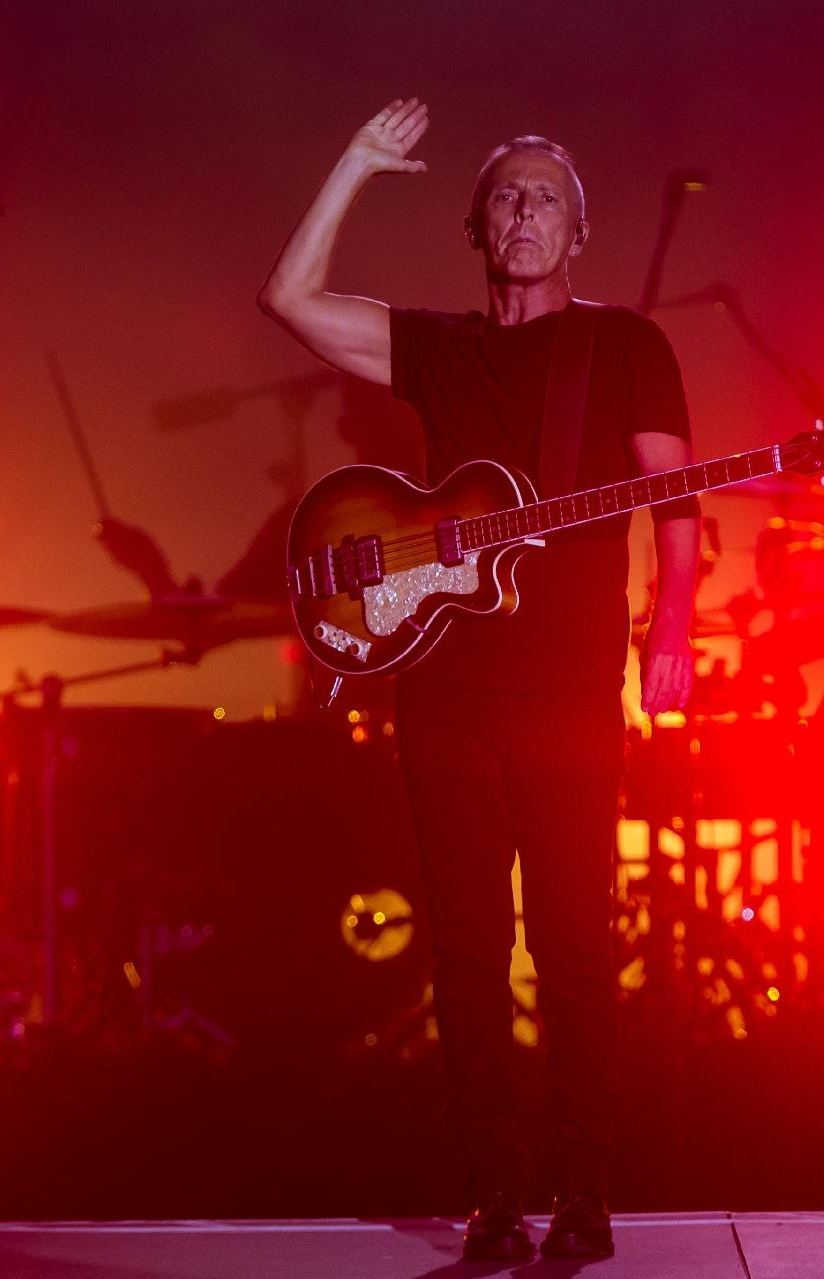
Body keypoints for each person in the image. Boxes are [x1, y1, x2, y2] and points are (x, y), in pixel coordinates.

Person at [259, 98, 698, 1261]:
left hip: (565, 697)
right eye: (506, 193)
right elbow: (290, 301)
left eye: (547, 195)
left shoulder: (627, 346)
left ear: (579, 230)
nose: (525, 211)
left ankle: (585, 1196)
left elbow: (676, 504)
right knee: (463, 949)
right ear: (477, 224)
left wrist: (674, 625)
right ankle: (495, 1199)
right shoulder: (440, 347)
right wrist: (351, 161)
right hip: (444, 690)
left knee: (573, 943)